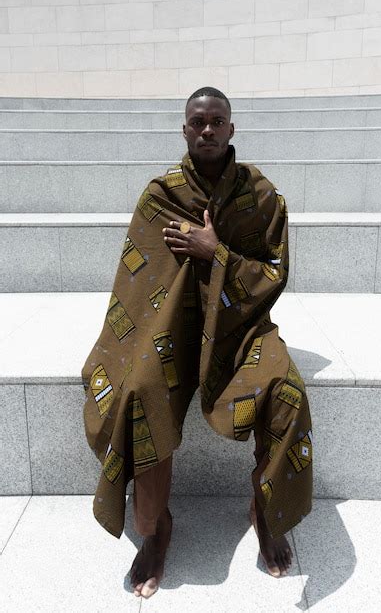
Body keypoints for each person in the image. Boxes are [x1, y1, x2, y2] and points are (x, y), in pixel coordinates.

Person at [81, 87, 313, 599]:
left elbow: (274, 274)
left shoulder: (262, 196)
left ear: (232, 128)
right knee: (139, 390)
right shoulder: (160, 195)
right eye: (198, 121)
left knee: (288, 389)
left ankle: (265, 509)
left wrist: (217, 253)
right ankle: (156, 527)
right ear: (184, 129)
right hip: (172, 334)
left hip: (240, 330)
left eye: (217, 120)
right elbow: (136, 284)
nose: (207, 129)